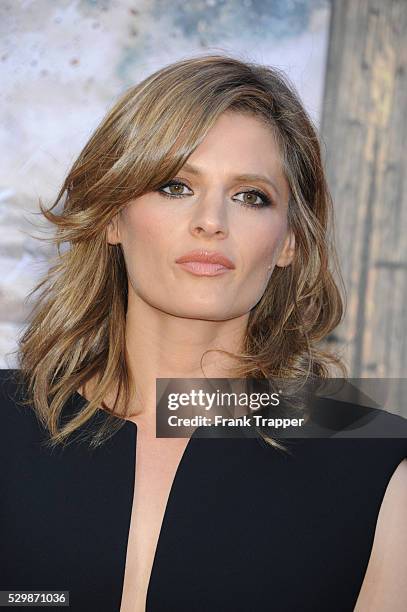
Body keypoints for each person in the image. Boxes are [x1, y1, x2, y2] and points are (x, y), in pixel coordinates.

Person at [1, 54, 406, 612]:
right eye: (175, 186)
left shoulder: (374, 467)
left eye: (250, 196)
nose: (211, 220)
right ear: (113, 216)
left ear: (289, 240)